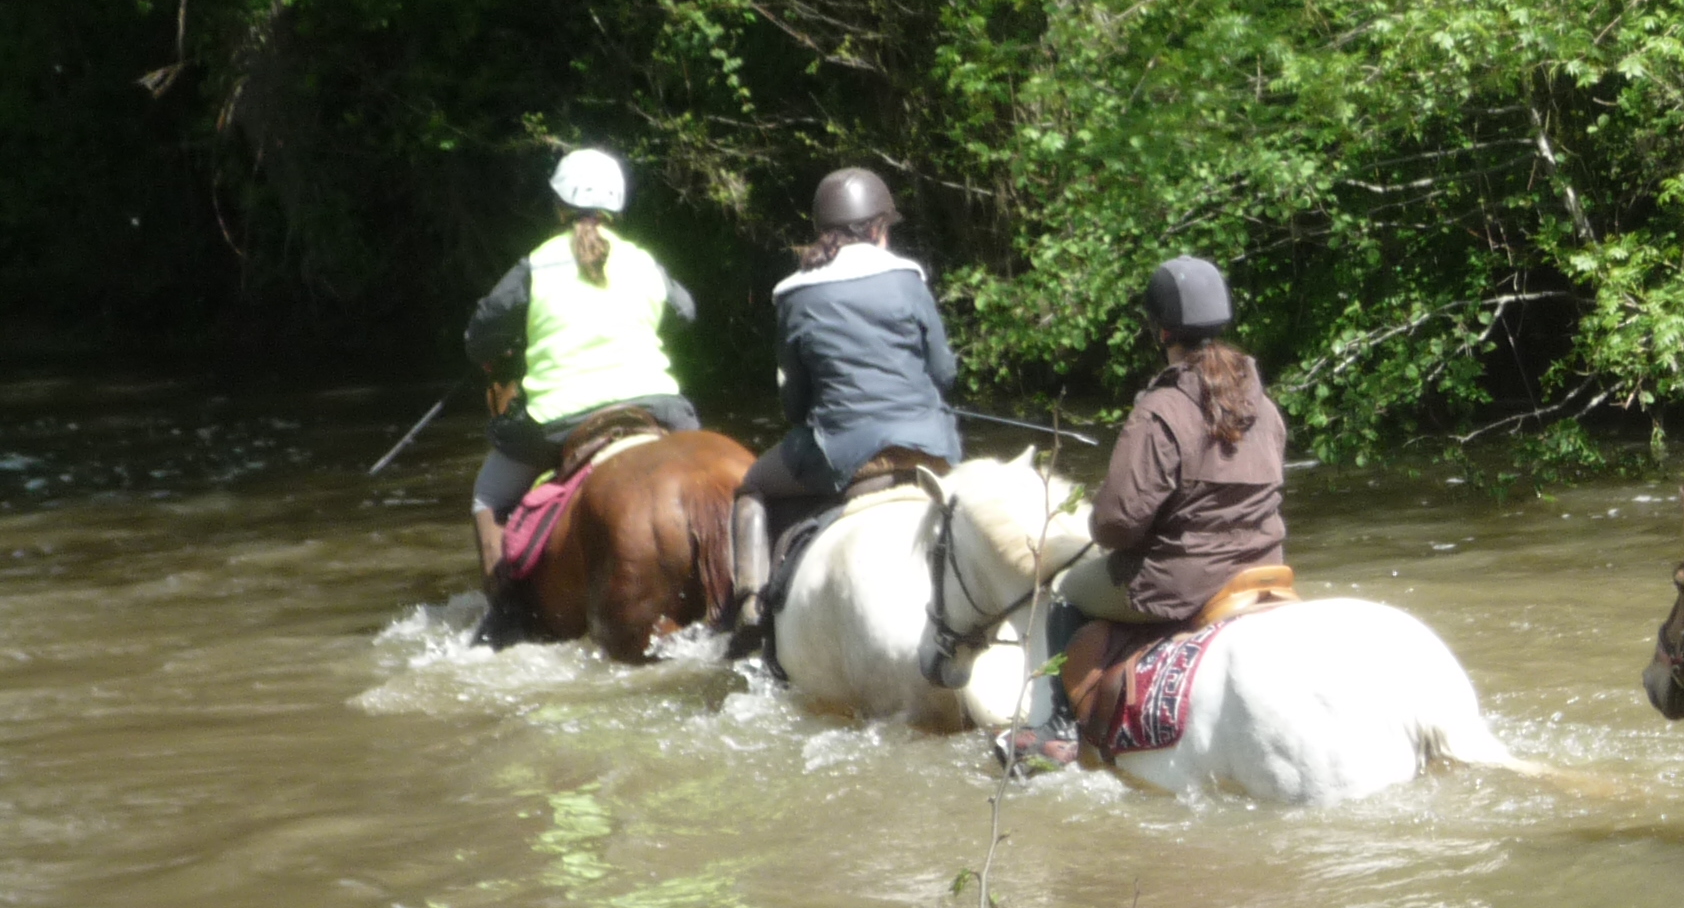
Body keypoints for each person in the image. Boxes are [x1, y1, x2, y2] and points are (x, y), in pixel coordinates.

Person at [1003, 256, 1287, 766]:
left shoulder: (1159, 410)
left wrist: (1096, 514)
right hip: (1264, 567)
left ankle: (1061, 728)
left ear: (1161, 331)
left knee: (1068, 592)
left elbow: (1116, 525)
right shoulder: (1264, 407)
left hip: (1184, 582)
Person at [728, 168, 964, 627]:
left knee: (751, 486)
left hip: (843, 455)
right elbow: (944, 373)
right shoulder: (908, 278)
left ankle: (751, 605)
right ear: (877, 227)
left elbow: (794, 404)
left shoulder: (794, 294)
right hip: (930, 449)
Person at [462, 147, 699, 596]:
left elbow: (479, 337)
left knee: (488, 497)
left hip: (560, 415)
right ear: (617, 207)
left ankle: (502, 613)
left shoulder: (536, 265)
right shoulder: (643, 260)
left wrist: (507, 349)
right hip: (657, 404)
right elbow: (685, 313)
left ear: (559, 205)